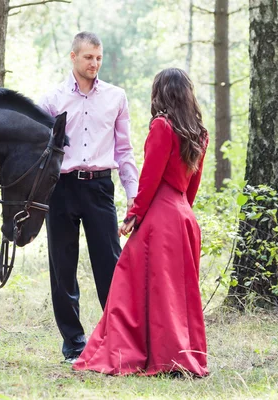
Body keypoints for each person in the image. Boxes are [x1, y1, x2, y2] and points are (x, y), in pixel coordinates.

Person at [72, 67, 209, 376]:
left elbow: (150, 178)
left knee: (129, 284)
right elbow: (193, 184)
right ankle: (179, 357)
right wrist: (183, 214)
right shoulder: (199, 132)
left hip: (160, 216)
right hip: (184, 217)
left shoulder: (162, 126)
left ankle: (138, 353)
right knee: (175, 292)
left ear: (160, 93)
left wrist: (133, 216)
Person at [39, 32, 139, 364]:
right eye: (88, 58)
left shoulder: (116, 97)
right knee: (62, 267)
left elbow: (124, 152)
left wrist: (132, 197)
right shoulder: (52, 100)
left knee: (110, 265)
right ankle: (74, 342)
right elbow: (39, 150)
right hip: (62, 189)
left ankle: (115, 338)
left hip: (99, 187)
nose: (94, 63)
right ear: (73, 57)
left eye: (98, 57)